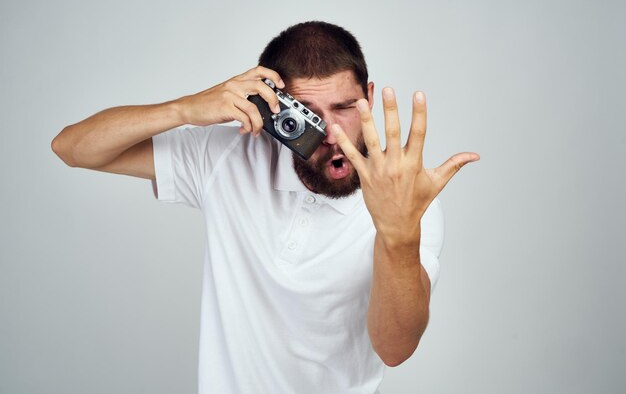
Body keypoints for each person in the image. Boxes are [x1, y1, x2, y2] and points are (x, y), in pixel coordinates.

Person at [51, 21, 479, 394]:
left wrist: (397, 233)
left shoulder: (409, 198)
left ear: (367, 96)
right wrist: (184, 108)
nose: (331, 134)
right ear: (272, 107)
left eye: (345, 108)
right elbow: (73, 148)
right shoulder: (226, 157)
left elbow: (395, 348)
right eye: (306, 115)